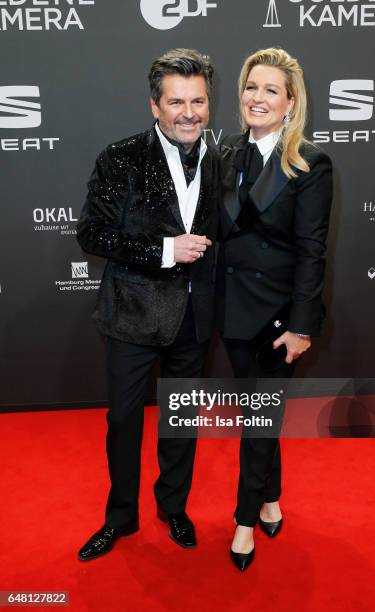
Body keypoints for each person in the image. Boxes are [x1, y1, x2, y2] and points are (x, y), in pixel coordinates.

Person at [76, 48, 219, 561]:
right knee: (124, 423)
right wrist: (164, 251)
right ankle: (120, 517)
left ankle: (173, 507)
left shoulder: (217, 157)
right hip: (132, 316)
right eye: (176, 101)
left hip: (193, 318)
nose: (189, 112)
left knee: (180, 423)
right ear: (155, 106)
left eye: (198, 100)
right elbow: (91, 234)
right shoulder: (122, 157)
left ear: (208, 103)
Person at [217, 48, 333, 571]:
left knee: (259, 421)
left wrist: (303, 325)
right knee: (256, 416)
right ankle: (269, 498)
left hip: (279, 320)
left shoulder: (309, 162)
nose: (257, 98)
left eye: (270, 90)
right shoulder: (226, 157)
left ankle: (244, 520)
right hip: (232, 312)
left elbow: (313, 249)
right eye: (251, 87)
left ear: (290, 103)